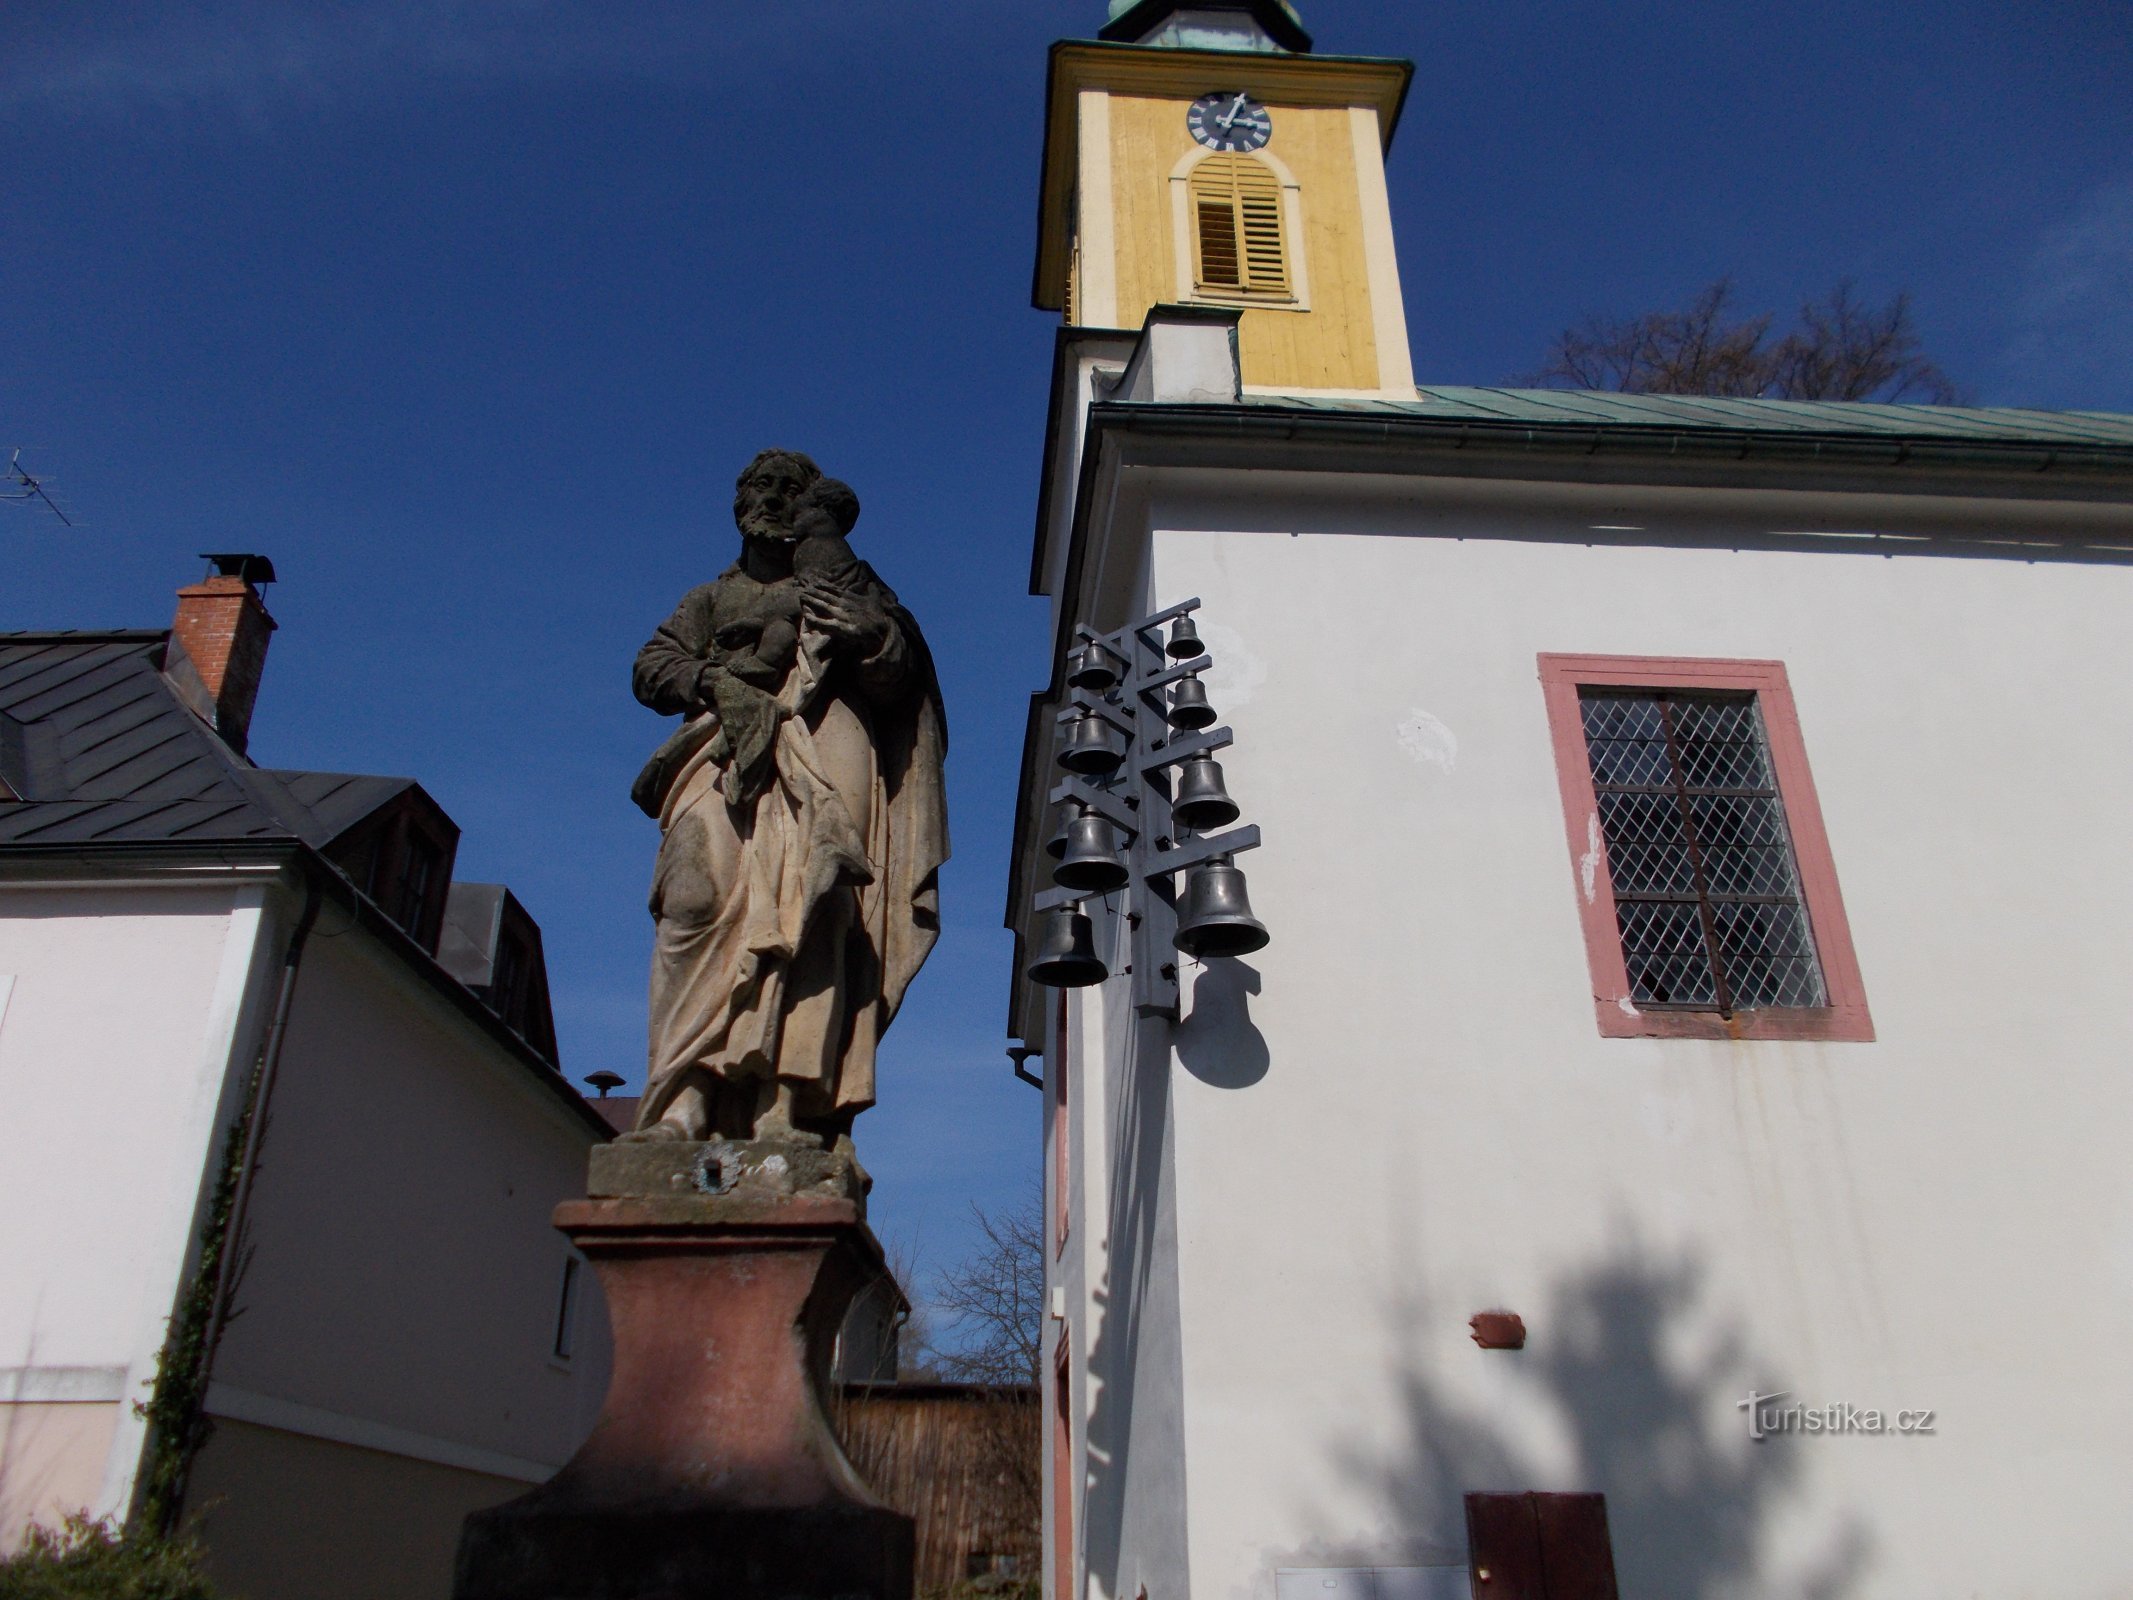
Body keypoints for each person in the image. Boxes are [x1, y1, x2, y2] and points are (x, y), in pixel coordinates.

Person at [626, 449, 947, 1146]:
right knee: (692, 896)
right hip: (721, 744)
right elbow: (653, 667)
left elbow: (903, 683)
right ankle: (683, 1095)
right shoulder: (713, 596)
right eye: (757, 486)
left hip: (829, 734)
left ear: (811, 511)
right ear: (738, 501)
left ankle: (788, 1103)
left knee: (820, 906)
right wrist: (715, 682)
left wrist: (874, 639)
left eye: (786, 490)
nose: (769, 500)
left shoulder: (854, 582)